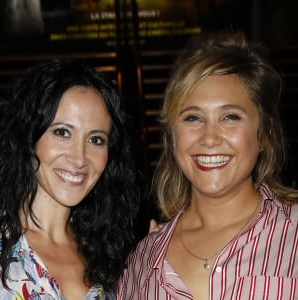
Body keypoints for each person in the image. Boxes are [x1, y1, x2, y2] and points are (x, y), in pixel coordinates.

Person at [117, 31, 298, 299]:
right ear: (173, 135)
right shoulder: (141, 262)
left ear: (264, 135)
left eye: (230, 117)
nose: (210, 138)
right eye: (193, 118)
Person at [0, 60, 139, 299]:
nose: (79, 158)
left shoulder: (110, 257)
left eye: (96, 139)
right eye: (62, 132)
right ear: (29, 136)